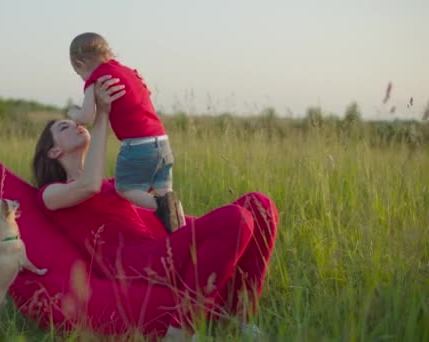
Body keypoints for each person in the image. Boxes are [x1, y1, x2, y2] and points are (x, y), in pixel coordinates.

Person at [34, 75, 280, 336]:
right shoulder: (50, 194)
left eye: (75, 123)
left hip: (159, 246)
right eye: (64, 128)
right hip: (131, 262)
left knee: (259, 205)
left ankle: (237, 317)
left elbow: (161, 193)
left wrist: (138, 99)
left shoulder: (113, 184)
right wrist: (102, 115)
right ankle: (180, 331)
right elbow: (88, 185)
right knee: (236, 218)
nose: (76, 126)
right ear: (53, 152)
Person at [66, 32, 183, 233]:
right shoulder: (128, 72)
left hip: (138, 145)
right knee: (164, 192)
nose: (82, 78)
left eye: (79, 74)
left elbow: (86, 116)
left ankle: (163, 207)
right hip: (162, 141)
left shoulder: (96, 78)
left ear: (80, 63)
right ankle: (180, 229)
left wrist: (73, 114)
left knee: (125, 189)